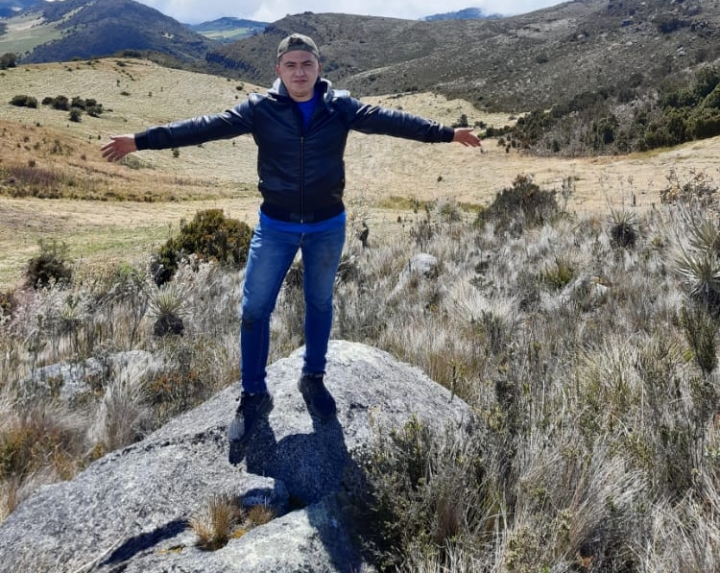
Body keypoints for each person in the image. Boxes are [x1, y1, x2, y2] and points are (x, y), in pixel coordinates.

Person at [102, 33, 481, 448]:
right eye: (291, 65)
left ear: (319, 68)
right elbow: (202, 129)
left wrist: (446, 133)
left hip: (326, 224)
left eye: (307, 64)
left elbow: (393, 121)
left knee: (319, 302)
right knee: (254, 309)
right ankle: (253, 394)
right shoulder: (259, 110)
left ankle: (313, 378)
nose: (299, 72)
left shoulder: (340, 108)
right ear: (278, 70)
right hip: (276, 225)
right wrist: (140, 140)